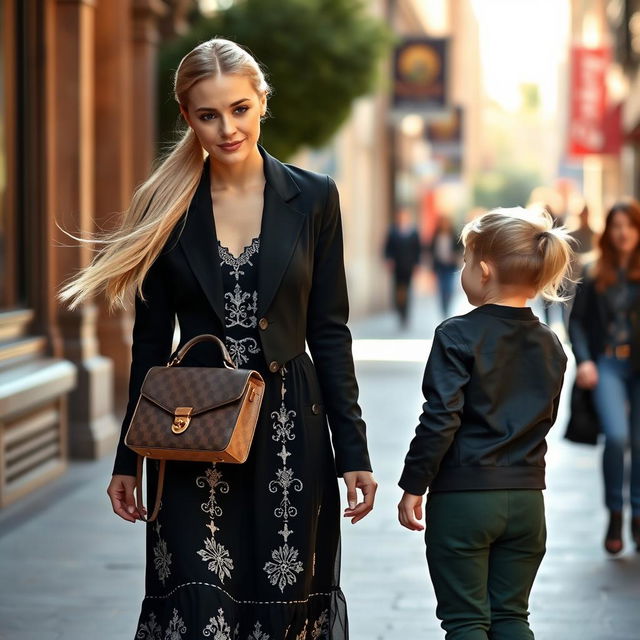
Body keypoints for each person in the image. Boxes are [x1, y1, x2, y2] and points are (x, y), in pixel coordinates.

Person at [59, 38, 377, 639]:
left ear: (262, 101)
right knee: (199, 610)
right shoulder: (163, 205)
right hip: (190, 432)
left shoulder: (313, 198)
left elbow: (330, 331)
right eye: (208, 114)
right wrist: (129, 460)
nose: (227, 127)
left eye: (238, 108)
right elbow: (149, 346)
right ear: (187, 117)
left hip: (289, 434)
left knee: (282, 610)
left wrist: (353, 452)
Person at [397, 207, 573, 639]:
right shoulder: (551, 343)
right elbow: (542, 418)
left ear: (485, 269)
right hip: (528, 500)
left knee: (466, 621)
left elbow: (440, 417)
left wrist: (414, 483)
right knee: (512, 617)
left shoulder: (456, 335)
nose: (462, 269)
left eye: (464, 261)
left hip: (466, 496)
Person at [568, 200, 640, 555]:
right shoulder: (594, 272)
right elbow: (577, 322)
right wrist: (584, 360)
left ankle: (638, 514)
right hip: (608, 364)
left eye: (630, 225)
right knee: (616, 436)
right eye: (617, 225)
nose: (623, 232)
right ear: (607, 231)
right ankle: (615, 511)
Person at [384, 207, 421, 327]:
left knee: (407, 290)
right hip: (397, 266)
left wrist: (417, 264)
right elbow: (387, 248)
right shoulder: (392, 231)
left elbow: (417, 250)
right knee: (397, 290)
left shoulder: (413, 232)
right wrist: (389, 259)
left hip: (409, 266)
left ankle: (405, 313)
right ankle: (399, 310)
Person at [427, 215, 462, 318]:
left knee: (449, 288)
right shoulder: (436, 236)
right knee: (441, 288)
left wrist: (455, 256)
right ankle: (443, 309)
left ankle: (447, 307)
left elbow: (460, 248)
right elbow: (430, 250)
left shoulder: (454, 236)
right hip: (439, 266)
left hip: (450, 266)